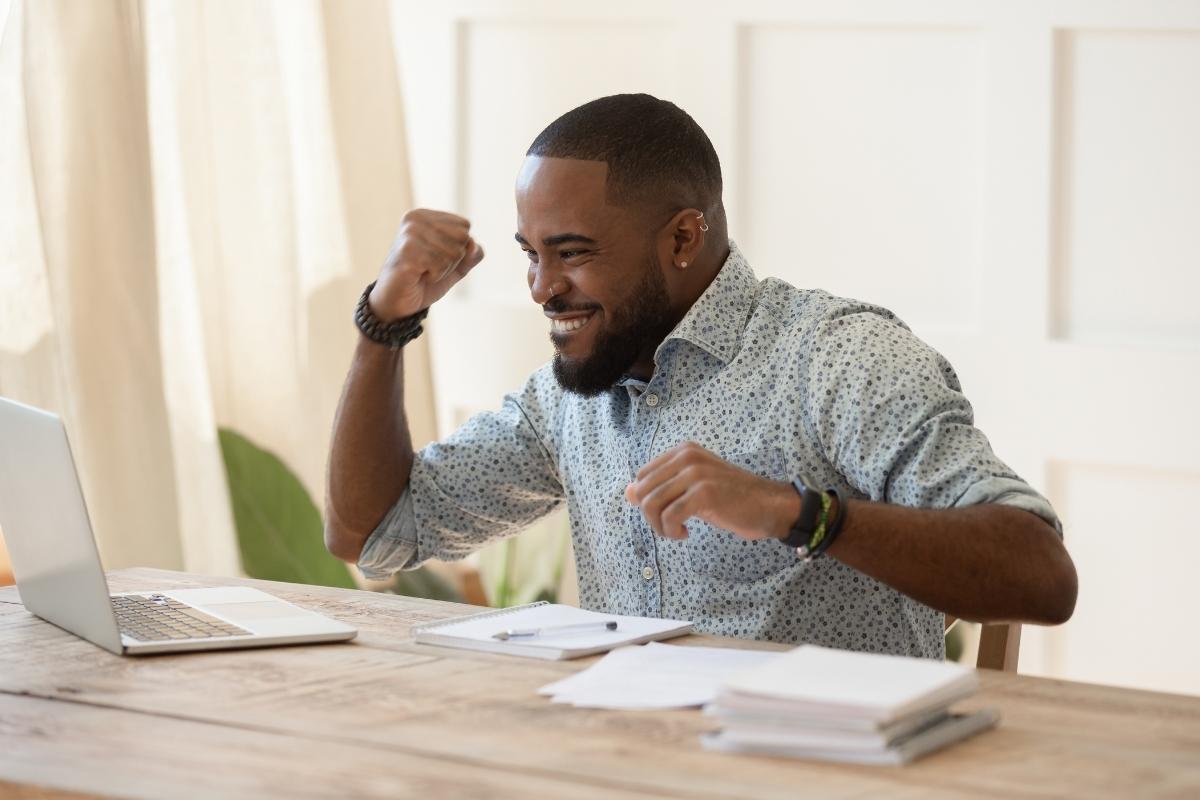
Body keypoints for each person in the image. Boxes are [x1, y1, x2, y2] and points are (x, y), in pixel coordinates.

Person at [325, 93, 1076, 658]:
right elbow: (371, 535)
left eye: (574, 252)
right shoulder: (567, 397)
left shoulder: (838, 359)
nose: (541, 288)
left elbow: (1040, 576)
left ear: (683, 237)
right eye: (531, 252)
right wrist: (385, 324)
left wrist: (796, 513)